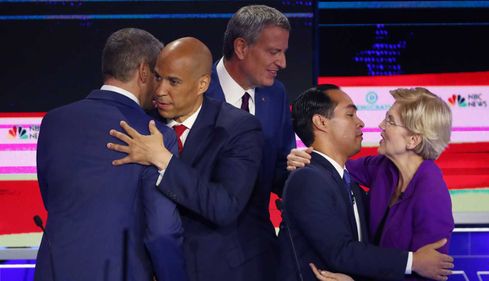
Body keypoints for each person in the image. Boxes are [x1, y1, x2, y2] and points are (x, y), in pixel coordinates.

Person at [106, 37, 268, 281]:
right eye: (158, 77)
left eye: (173, 82)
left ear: (202, 83)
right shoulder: (140, 122)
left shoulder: (239, 128)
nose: (160, 90)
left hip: (218, 270)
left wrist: (164, 160)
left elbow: (224, 206)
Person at [35, 28, 187, 281]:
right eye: (157, 76)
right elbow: (162, 230)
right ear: (143, 72)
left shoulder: (54, 121)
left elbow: (53, 198)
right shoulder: (153, 134)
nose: (160, 87)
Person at [278, 85, 453, 281]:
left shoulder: (431, 193)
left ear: (412, 140)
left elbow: (429, 269)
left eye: (390, 121)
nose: (380, 125)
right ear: (321, 122)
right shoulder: (382, 168)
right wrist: (302, 157)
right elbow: (333, 166)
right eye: (350, 115)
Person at [206, 6, 296, 267]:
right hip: (203, 251)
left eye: (284, 53)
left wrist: (300, 172)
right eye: (273, 52)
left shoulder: (276, 94)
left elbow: (278, 167)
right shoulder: (195, 90)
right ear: (242, 48)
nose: (282, 63)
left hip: (258, 247)